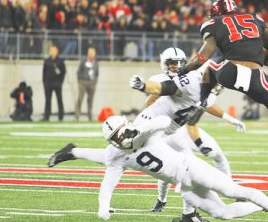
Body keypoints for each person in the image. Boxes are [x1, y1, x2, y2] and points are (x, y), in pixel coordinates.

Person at [49, 47, 245, 221]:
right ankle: (188, 214)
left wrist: (230, 118)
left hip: (170, 132)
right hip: (153, 129)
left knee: (116, 158)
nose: (176, 66)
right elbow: (157, 87)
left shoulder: (197, 83)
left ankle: (73, 151)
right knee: (117, 158)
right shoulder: (169, 80)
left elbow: (206, 102)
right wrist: (144, 88)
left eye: (179, 63)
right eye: (172, 63)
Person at [52, 115, 268, 221]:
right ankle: (261, 204)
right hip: (185, 185)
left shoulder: (143, 131)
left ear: (127, 127)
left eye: (121, 134)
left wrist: (141, 129)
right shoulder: (117, 156)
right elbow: (108, 183)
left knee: (233, 191)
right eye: (115, 138)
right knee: (222, 214)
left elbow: (164, 121)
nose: (120, 140)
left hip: (191, 167)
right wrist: (102, 206)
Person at [185, 0, 268, 160]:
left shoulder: (214, 23)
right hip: (256, 77)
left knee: (210, 69)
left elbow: (201, 59)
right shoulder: (255, 19)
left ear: (217, 12)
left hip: (230, 72)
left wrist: (183, 71)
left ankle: (202, 102)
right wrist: (264, 59)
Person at [42, 45, 66, 121]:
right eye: (51, 50)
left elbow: (63, 72)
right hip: (48, 84)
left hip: (57, 84)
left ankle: (60, 116)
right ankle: (46, 116)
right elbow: (44, 72)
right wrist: (44, 82)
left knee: (59, 100)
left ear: (57, 51)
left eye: (54, 50)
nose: (52, 52)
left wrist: (60, 82)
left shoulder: (60, 61)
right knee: (48, 100)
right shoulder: (47, 61)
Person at [75, 47, 99, 121]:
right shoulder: (83, 61)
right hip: (83, 82)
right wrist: (80, 81)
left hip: (92, 83)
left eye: (93, 53)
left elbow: (97, 73)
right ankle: (77, 116)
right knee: (80, 99)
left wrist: (94, 81)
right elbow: (78, 72)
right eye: (90, 53)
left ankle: (90, 116)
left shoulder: (95, 62)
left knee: (90, 100)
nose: (92, 54)